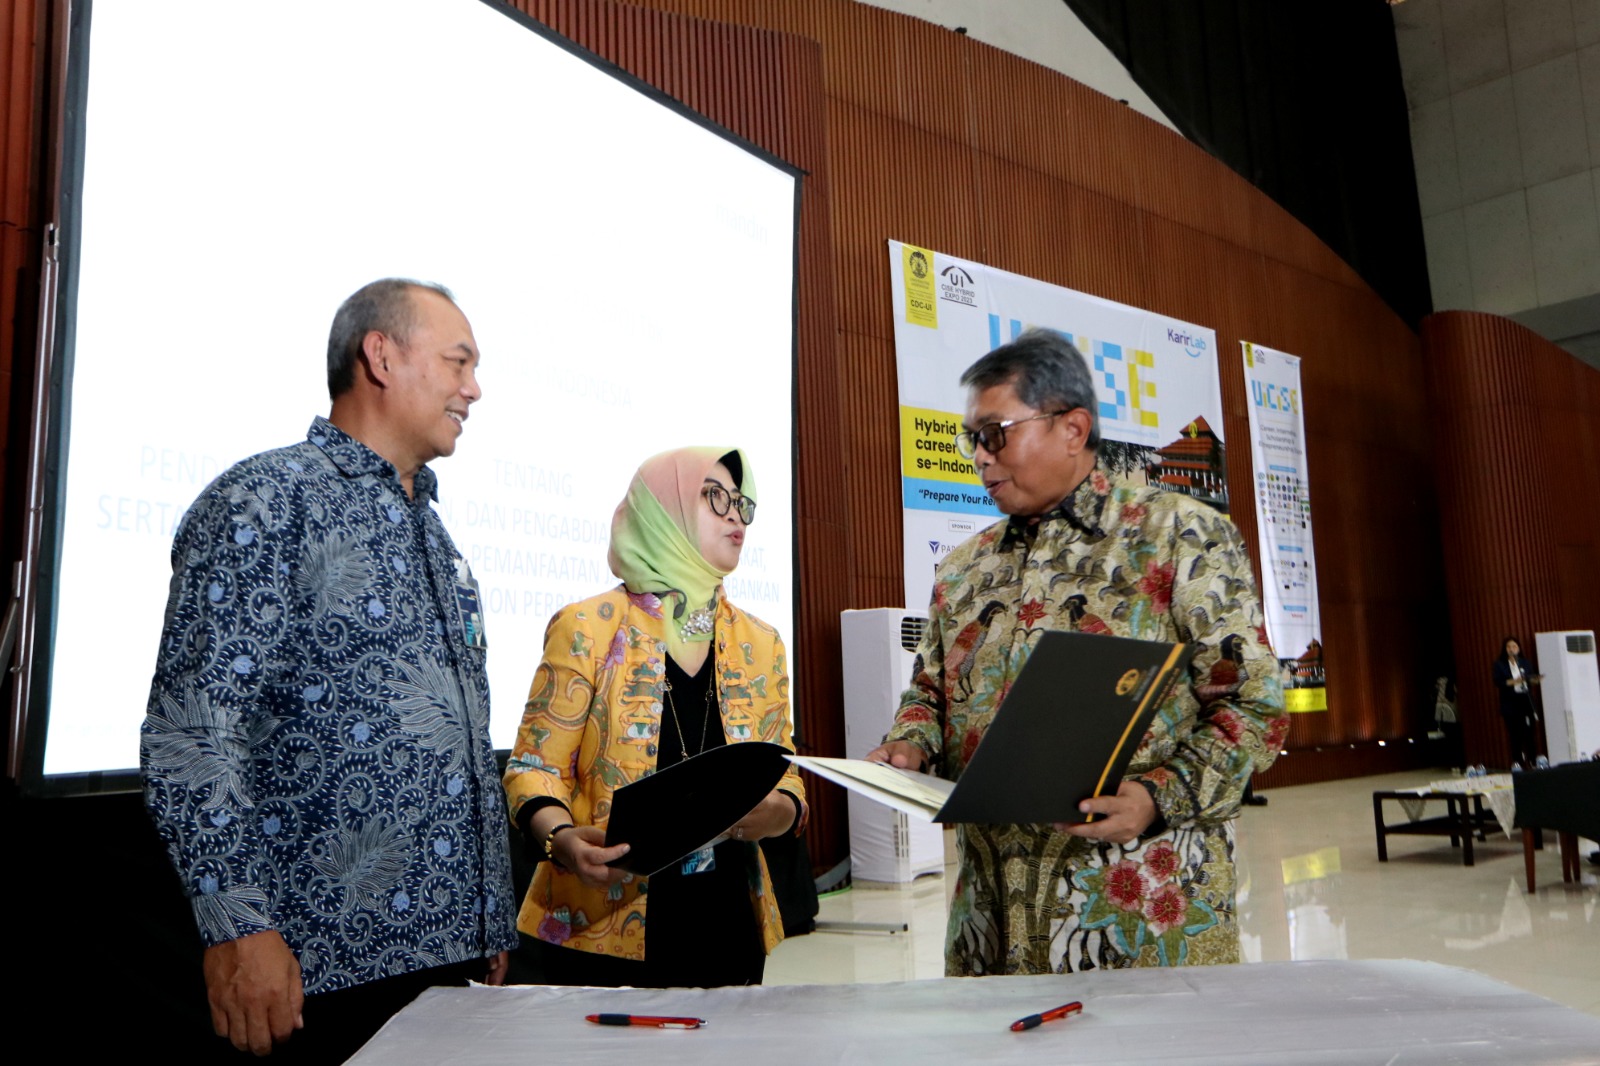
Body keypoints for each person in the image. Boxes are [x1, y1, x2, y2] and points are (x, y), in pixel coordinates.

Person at [141, 279, 516, 1060]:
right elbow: (193, 731)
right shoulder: (267, 501)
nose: (473, 389)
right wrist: (240, 926)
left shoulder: (436, 536)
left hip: (450, 967)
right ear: (380, 355)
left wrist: (487, 915)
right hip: (319, 979)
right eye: (458, 362)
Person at [867, 328, 1287, 976]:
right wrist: (911, 740)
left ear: (1072, 428)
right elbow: (930, 691)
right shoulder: (962, 569)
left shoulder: (1178, 535)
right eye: (971, 438)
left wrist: (1157, 795)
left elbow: (1256, 705)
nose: (979, 457)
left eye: (995, 432)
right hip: (991, 929)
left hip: (1139, 921)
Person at [504, 446, 806, 988]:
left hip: (728, 923)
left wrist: (778, 812)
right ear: (662, 512)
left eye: (742, 503)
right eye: (715, 497)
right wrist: (563, 840)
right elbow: (532, 767)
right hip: (602, 927)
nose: (736, 515)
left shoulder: (761, 643)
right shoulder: (588, 627)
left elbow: (785, 776)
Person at [1492, 637, 1542, 768]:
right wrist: (1515, 681)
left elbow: (1530, 678)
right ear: (1505, 649)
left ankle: (1533, 761)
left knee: (1530, 733)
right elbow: (1499, 682)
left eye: (1514, 646)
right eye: (1508, 647)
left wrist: (1535, 680)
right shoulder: (1499, 664)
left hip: (1526, 701)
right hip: (1511, 703)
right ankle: (1518, 763)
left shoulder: (1525, 663)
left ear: (1518, 648)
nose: (1511, 649)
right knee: (1515, 735)